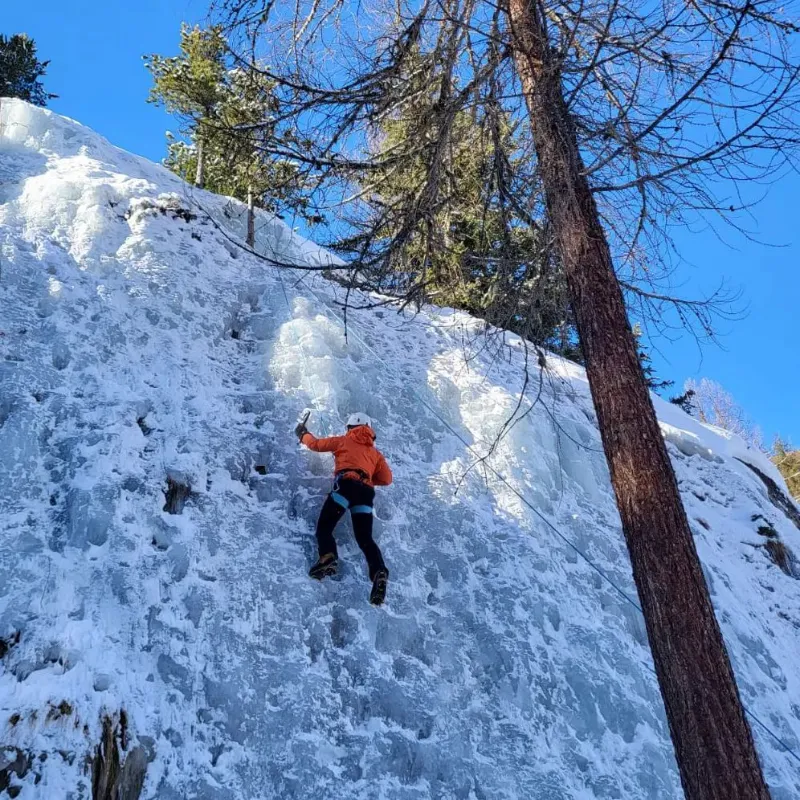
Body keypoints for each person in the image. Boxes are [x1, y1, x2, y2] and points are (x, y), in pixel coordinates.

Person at [295, 412, 393, 605]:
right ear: (369, 429)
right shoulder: (375, 453)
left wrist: (302, 433)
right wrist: (367, 475)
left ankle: (328, 557)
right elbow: (387, 479)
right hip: (365, 493)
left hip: (346, 486)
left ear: (349, 427)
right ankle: (378, 571)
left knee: (325, 527)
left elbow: (315, 445)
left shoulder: (342, 441)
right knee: (365, 539)